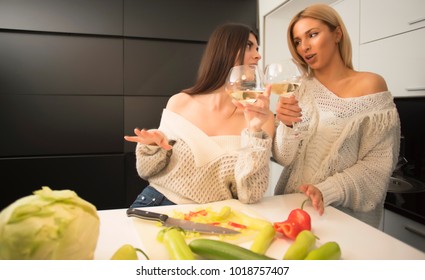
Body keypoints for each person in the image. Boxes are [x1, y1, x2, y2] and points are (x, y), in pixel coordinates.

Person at [272, 4, 401, 228]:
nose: (305, 47)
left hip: (347, 219)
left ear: (337, 34)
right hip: (293, 210)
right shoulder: (297, 88)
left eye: (312, 35)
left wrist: (327, 190)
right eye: (298, 41)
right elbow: (284, 159)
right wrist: (286, 126)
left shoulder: (371, 84)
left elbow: (378, 164)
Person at [124, 23, 275, 208]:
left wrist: (254, 130)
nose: (258, 55)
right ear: (224, 51)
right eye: (248, 46)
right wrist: (153, 147)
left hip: (216, 216)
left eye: (257, 48)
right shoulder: (179, 102)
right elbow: (147, 171)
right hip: (157, 204)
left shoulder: (261, 119)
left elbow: (250, 194)